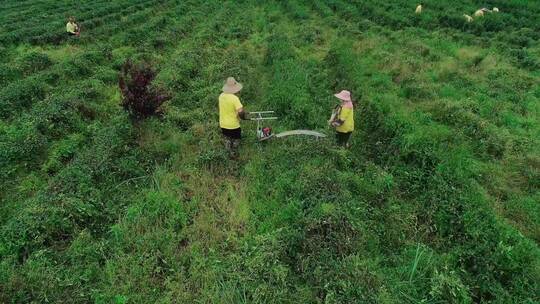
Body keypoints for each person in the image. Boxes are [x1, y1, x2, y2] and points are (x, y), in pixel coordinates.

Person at [219, 77, 248, 159]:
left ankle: (228, 152)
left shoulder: (221, 96)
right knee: (236, 139)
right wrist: (243, 117)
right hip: (233, 125)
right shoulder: (234, 99)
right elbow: (241, 112)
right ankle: (234, 153)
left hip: (223, 124)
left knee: (227, 138)